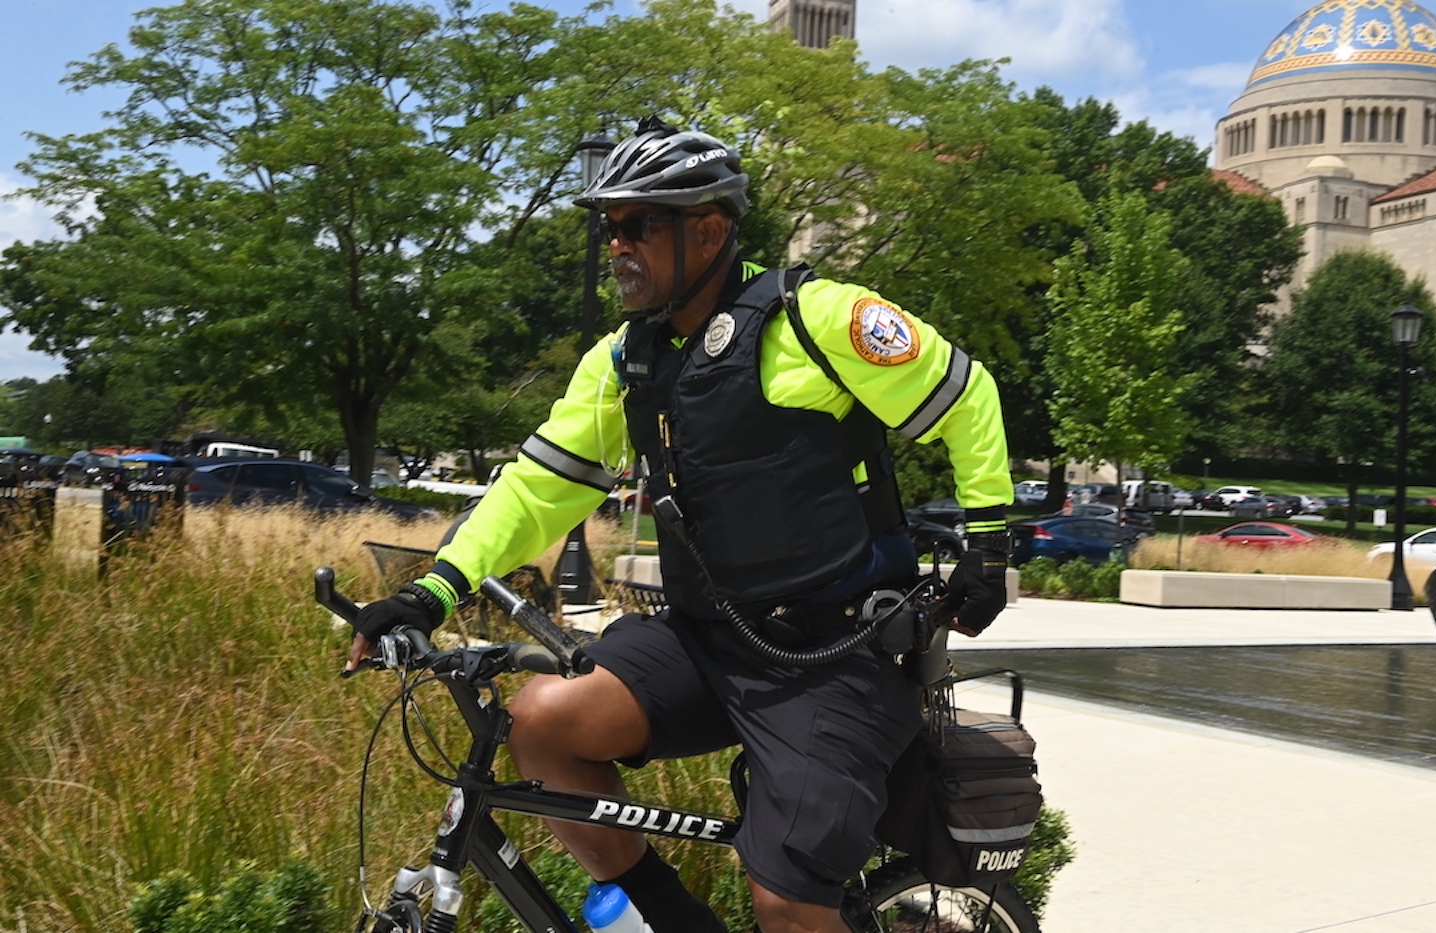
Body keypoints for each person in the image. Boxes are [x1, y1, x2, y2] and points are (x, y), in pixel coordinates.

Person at [345, 116, 1013, 933]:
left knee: (788, 899)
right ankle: (675, 921)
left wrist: (990, 546)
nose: (617, 245)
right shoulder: (625, 362)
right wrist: (431, 594)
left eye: (637, 225)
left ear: (708, 229)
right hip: (705, 637)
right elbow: (538, 487)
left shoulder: (820, 319)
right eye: (609, 226)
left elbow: (967, 394)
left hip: (837, 656)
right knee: (541, 726)